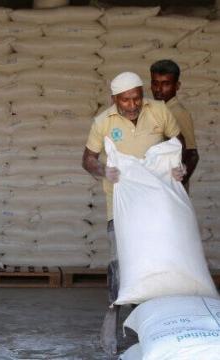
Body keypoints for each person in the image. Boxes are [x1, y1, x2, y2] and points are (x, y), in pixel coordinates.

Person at [82, 72, 186, 357]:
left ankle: (153, 324)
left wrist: (180, 168)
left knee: (155, 264)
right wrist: (104, 170)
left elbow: (180, 144)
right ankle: (113, 315)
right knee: (119, 264)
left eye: (137, 98)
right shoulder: (103, 122)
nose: (132, 104)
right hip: (120, 205)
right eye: (125, 100)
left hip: (156, 204)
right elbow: (87, 159)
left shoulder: (160, 112)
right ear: (114, 99)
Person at [150, 59, 199, 191]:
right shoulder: (159, 110)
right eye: (155, 83)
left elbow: (192, 154)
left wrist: (177, 185)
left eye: (166, 84)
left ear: (177, 86)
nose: (159, 89)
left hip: (172, 187)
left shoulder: (178, 112)